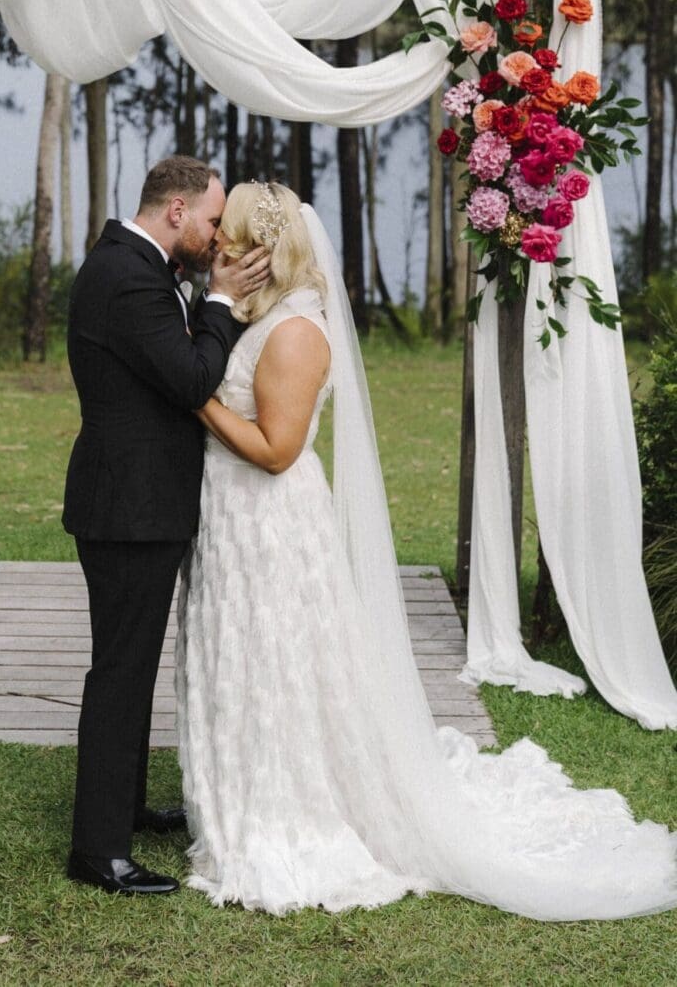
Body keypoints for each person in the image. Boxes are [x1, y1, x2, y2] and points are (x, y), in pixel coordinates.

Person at [178, 181, 677, 920]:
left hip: (269, 522)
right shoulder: (262, 317)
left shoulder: (295, 332)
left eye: (231, 233)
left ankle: (290, 808)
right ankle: (242, 790)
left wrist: (192, 395)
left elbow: (278, 449)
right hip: (234, 521)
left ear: (262, 248)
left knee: (276, 661)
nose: (217, 242)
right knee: (245, 658)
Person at [63, 155, 270, 896]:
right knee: (120, 674)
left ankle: (116, 811)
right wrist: (218, 302)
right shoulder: (128, 277)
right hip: (128, 509)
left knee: (132, 669)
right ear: (176, 210)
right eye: (212, 221)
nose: (216, 238)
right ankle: (98, 853)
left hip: (136, 502)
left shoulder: (133, 267)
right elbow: (189, 378)